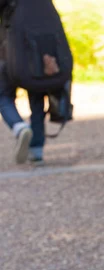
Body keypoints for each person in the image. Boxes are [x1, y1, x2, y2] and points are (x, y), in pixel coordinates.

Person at [0, 0, 60, 164]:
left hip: (11, 51)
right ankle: (37, 150)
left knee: (3, 96)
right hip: (40, 53)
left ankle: (19, 127)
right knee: (37, 98)